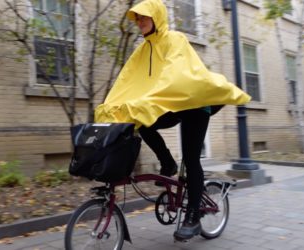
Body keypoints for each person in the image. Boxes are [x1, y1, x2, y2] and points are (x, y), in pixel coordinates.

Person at [95, 0, 251, 241]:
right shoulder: (143, 49)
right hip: (170, 104)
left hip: (195, 106)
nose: (139, 22)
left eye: (144, 17)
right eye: (137, 19)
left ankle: (193, 218)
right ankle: (167, 164)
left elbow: (172, 76)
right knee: (142, 122)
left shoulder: (175, 39)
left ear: (157, 17)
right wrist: (112, 105)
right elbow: (126, 81)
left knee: (191, 159)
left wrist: (150, 99)